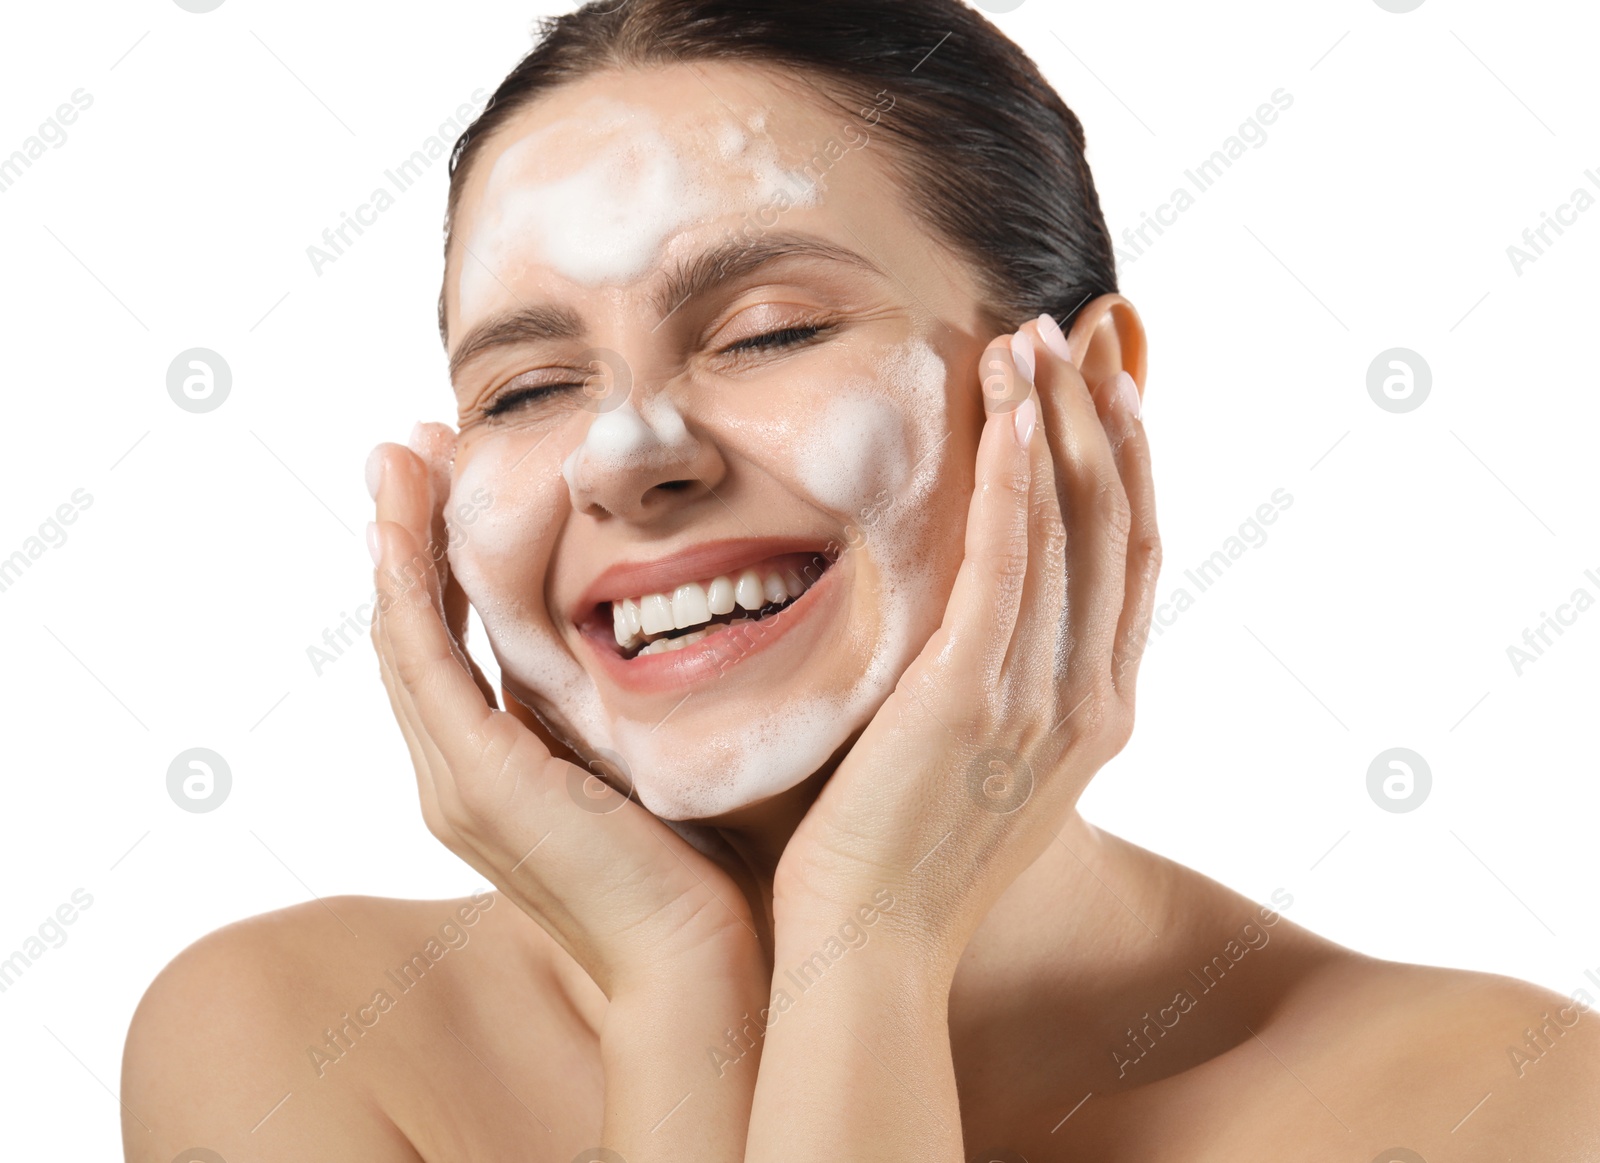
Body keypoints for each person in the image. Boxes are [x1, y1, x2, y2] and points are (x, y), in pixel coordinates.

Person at [122, 2, 1600, 1159]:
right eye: (525, 390)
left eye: (767, 330)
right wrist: (677, 983)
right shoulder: (292, 1043)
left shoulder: (1498, 1103)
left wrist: (868, 946)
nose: (626, 455)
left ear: (1087, 398)